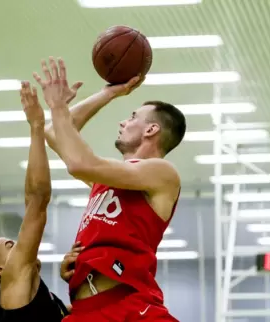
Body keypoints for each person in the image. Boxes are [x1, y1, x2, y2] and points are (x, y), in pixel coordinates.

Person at [35, 57, 186, 321]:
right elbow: (53, 132)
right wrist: (108, 93)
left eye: (132, 117)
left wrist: (59, 106)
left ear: (151, 129)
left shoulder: (162, 173)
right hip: (86, 310)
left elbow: (79, 163)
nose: (122, 123)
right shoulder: (108, 178)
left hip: (131, 307)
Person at [0, 81, 83, 322]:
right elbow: (37, 200)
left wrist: (76, 283)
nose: (21, 244)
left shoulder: (33, 298)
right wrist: (37, 127)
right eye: (11, 245)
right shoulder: (13, 284)